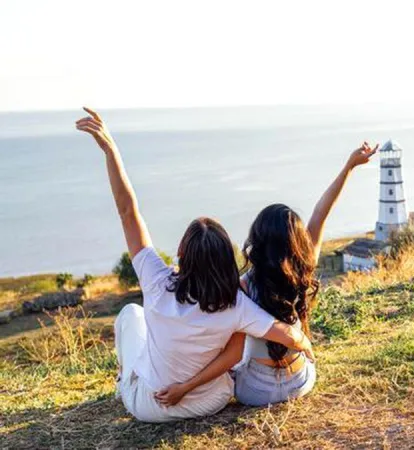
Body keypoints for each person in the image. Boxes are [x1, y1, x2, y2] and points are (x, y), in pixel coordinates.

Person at [76, 108, 314, 422]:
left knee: (132, 315)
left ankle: (124, 383)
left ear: (181, 255)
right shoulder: (238, 304)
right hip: (210, 402)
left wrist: (111, 150)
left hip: (152, 407)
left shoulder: (156, 280)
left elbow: (127, 210)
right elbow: (290, 336)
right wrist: (305, 345)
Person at [153, 141, 377, 407]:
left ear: (257, 241)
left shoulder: (242, 288)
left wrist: (185, 384)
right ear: (296, 243)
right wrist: (349, 167)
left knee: (237, 354)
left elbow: (231, 354)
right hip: (301, 382)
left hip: (254, 393)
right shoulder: (305, 266)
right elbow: (321, 212)